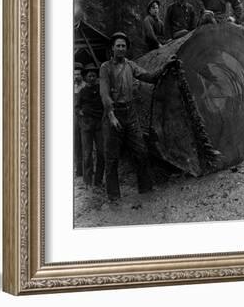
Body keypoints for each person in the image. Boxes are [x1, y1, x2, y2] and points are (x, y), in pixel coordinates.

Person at [99, 32, 177, 202]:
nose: (121, 48)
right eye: (118, 45)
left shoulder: (130, 66)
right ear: (112, 48)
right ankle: (113, 197)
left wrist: (165, 66)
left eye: (123, 46)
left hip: (130, 113)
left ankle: (146, 190)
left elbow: (149, 76)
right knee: (112, 158)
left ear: (126, 48)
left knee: (141, 151)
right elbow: (104, 94)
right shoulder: (105, 67)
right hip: (114, 114)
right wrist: (111, 115)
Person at [76, 63, 105, 189]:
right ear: (86, 78)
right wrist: (81, 113)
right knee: (87, 154)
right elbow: (76, 107)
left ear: (97, 77)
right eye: (89, 76)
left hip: (99, 125)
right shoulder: (82, 92)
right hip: (86, 126)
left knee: (101, 152)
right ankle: (87, 181)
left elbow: (107, 103)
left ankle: (98, 180)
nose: (92, 78)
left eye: (94, 76)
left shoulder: (101, 89)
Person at [73, 62, 86, 177]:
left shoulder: (85, 86)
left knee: (85, 143)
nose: (76, 76)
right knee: (76, 144)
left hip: (85, 118)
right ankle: (79, 169)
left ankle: (87, 169)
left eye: (78, 74)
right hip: (74, 119)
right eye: (74, 74)